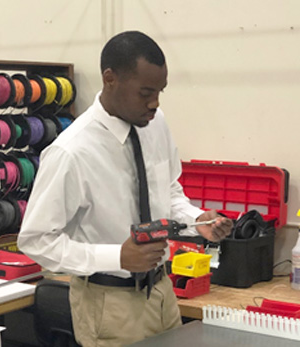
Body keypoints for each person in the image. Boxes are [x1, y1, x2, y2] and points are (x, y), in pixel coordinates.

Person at [18, 31, 233, 346]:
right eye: (146, 92)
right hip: (107, 301)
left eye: (160, 91)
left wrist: (197, 219)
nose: (155, 103)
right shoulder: (71, 153)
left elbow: (168, 190)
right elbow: (36, 242)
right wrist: (117, 257)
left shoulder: (155, 123)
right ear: (110, 79)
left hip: (161, 290)